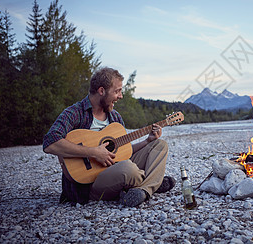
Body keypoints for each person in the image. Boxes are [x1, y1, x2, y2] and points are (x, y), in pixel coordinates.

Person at [43, 67, 175, 207]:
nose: (121, 96)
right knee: (128, 169)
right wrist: (94, 152)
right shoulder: (75, 113)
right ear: (101, 91)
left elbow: (123, 152)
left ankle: (143, 190)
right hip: (90, 184)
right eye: (117, 91)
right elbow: (50, 143)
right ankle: (153, 182)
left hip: (117, 168)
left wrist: (148, 140)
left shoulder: (115, 117)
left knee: (159, 146)